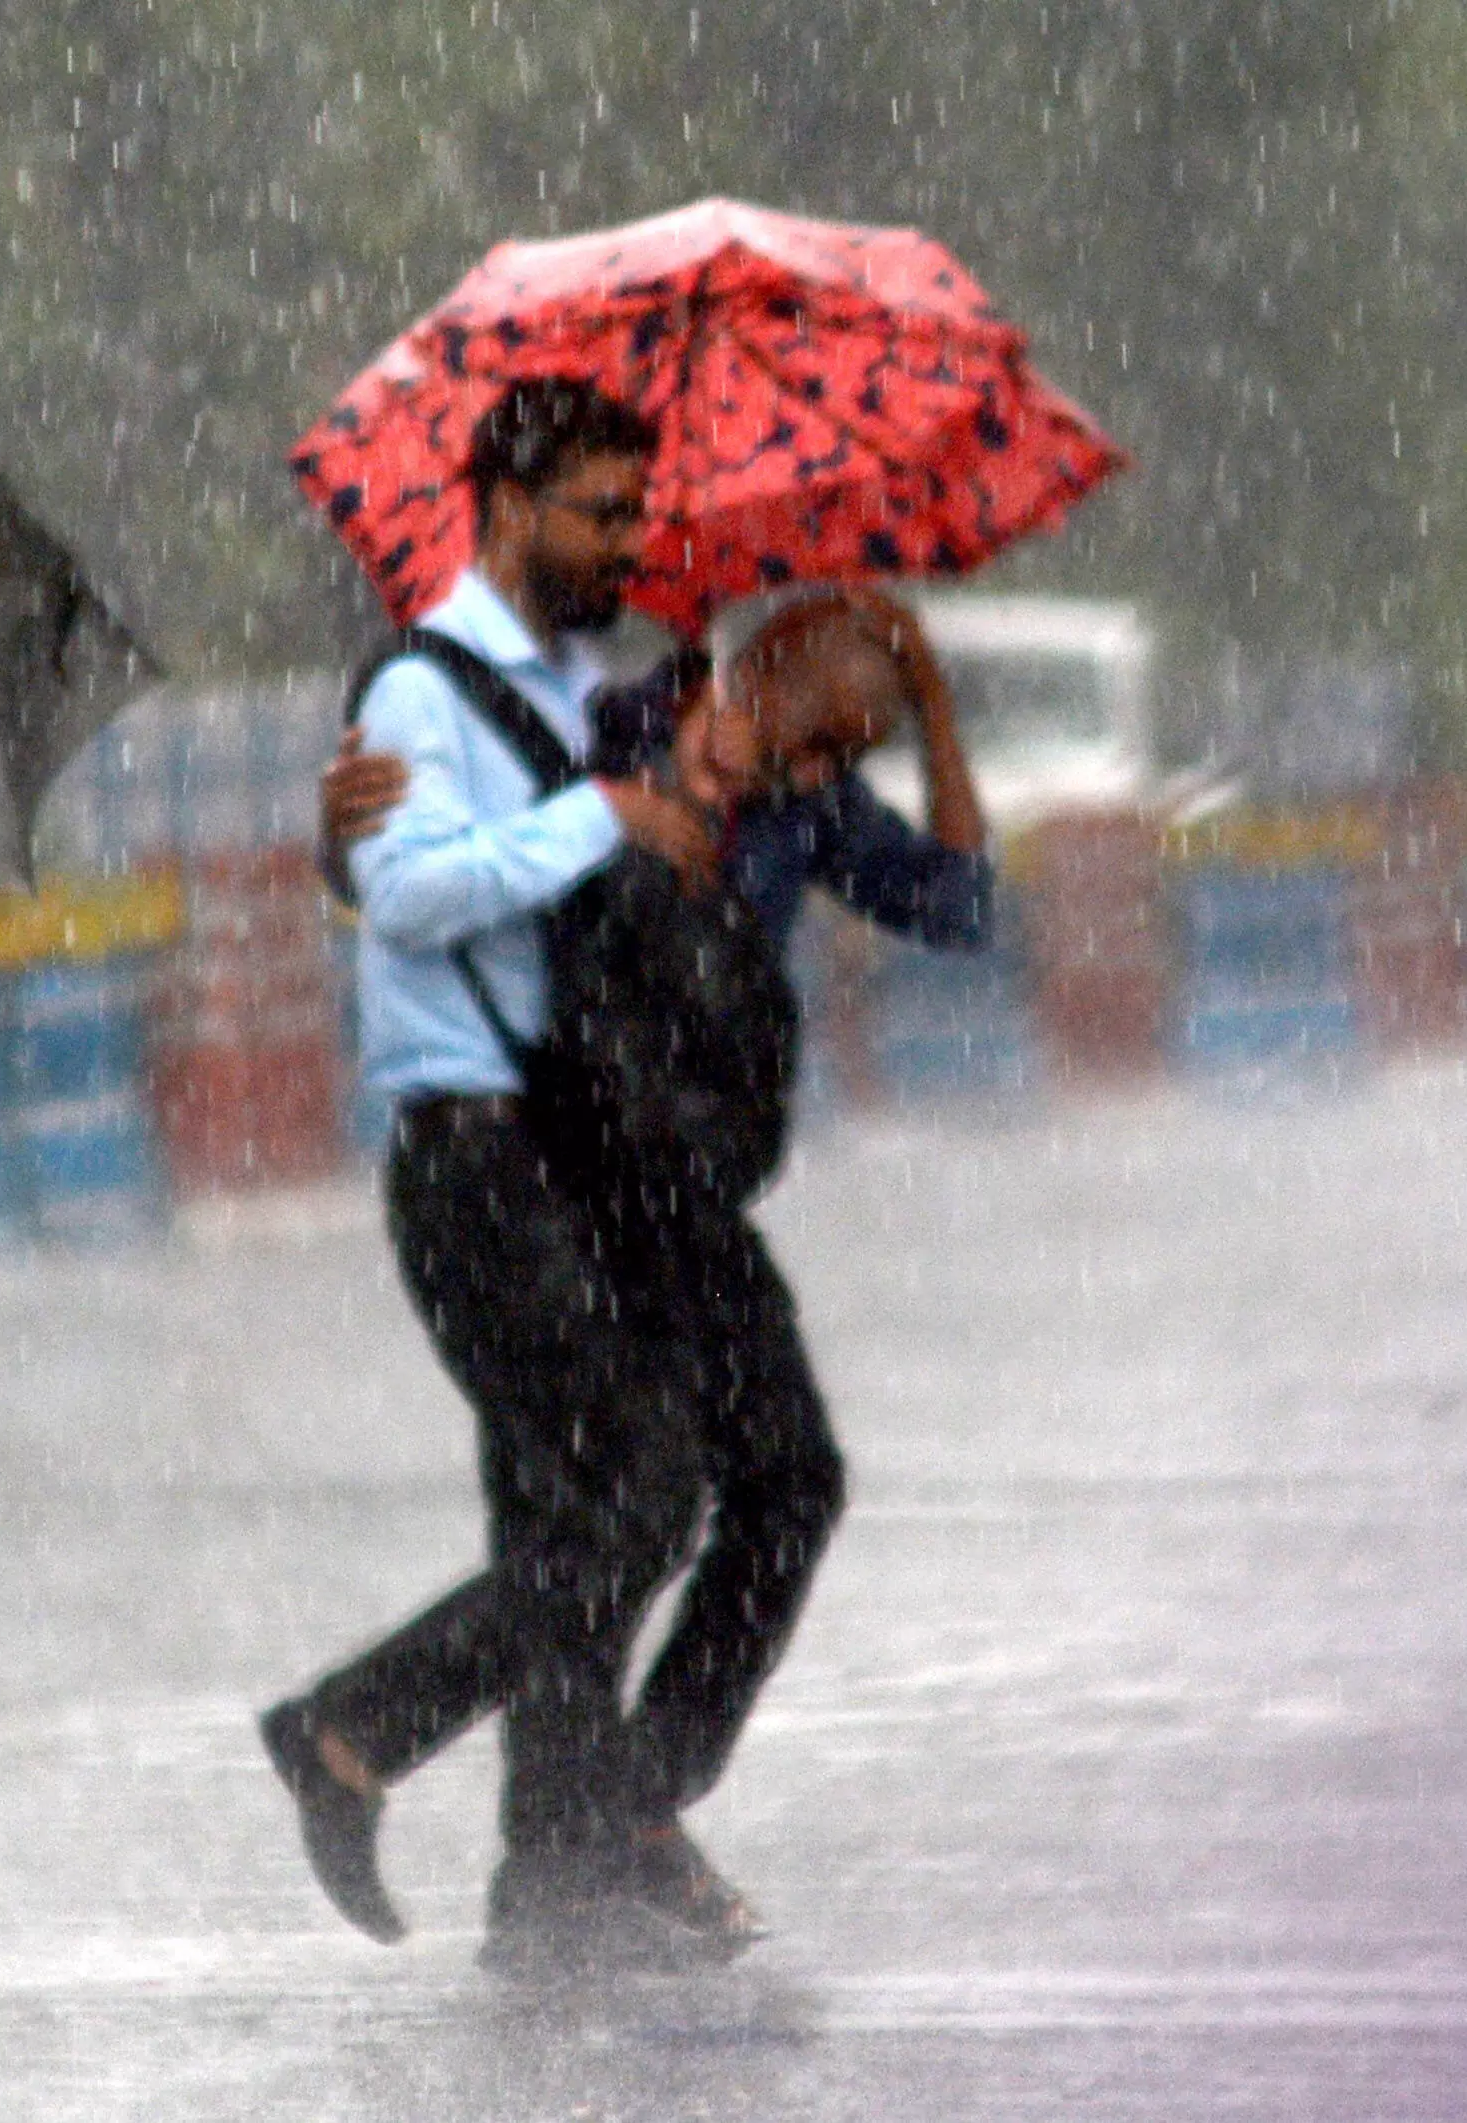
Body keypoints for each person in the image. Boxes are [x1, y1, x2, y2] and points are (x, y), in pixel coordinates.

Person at [285, 577, 992, 1976]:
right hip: (566, 1173)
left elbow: (961, 909)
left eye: (841, 757)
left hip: (698, 1191)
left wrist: (936, 702)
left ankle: (614, 1807)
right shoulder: (593, 728)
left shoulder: (802, 812)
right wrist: (336, 826)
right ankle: (533, 1833)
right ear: (748, 660)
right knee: (603, 1512)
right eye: (802, 733)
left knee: (773, 1485)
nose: (804, 773)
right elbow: (418, 865)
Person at [253, 375, 747, 1977]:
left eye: (637, 511)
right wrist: (596, 820)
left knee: (568, 1511)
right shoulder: (419, 691)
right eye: (601, 511)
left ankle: (555, 1874)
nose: (627, 539)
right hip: (472, 1162)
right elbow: (402, 896)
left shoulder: (577, 687)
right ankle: (353, 1726)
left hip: (569, 1154)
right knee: (652, 1483)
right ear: (509, 506)